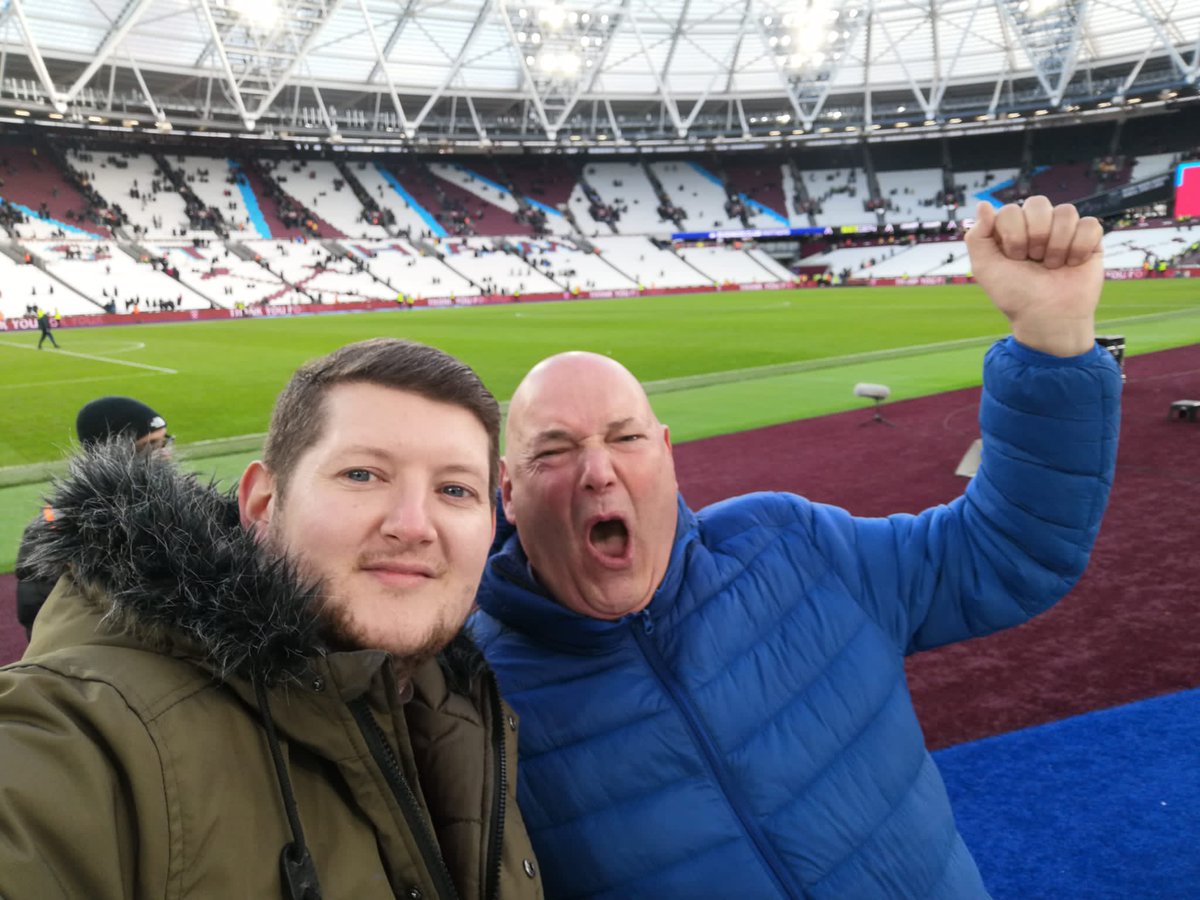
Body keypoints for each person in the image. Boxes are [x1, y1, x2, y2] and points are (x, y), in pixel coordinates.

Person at [471, 198, 1122, 898]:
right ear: (507, 492)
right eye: (556, 450)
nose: (599, 471)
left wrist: (1050, 336)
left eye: (626, 438)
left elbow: (1008, 553)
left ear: (666, 455)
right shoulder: (464, 693)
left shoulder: (792, 545)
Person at [0, 339, 543, 899]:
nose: (413, 525)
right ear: (261, 505)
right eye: (362, 474)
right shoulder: (96, 734)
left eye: (455, 489)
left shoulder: (466, 705)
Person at [13, 396, 173, 640]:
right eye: (150, 446)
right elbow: (39, 616)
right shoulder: (58, 529)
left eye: (164, 443)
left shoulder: (179, 502)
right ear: (112, 453)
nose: (164, 456)